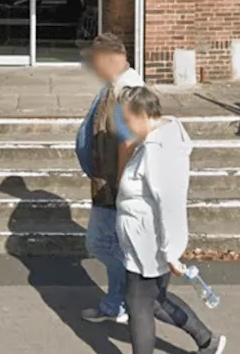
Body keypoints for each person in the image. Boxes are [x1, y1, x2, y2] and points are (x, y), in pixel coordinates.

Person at [117, 85, 227, 354]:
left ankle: (206, 341)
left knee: (138, 304)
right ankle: (207, 341)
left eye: (127, 119)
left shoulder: (159, 151)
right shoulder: (160, 137)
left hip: (149, 243)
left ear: (143, 115)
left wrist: (171, 251)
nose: (124, 126)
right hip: (146, 239)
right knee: (154, 301)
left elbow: (169, 202)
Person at [74, 32, 143, 324]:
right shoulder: (115, 84)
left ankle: (131, 298)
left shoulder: (127, 88)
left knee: (100, 244)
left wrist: (122, 183)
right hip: (105, 180)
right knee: (108, 243)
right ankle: (121, 302)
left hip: (114, 183)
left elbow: (129, 139)